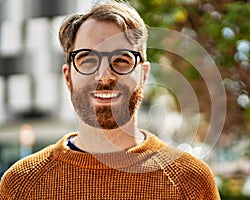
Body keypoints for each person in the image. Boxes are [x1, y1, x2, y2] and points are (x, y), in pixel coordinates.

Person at [0, 1, 220, 199]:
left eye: (122, 60)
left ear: (143, 75)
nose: (105, 76)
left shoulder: (191, 181)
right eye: (87, 60)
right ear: (68, 77)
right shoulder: (21, 184)